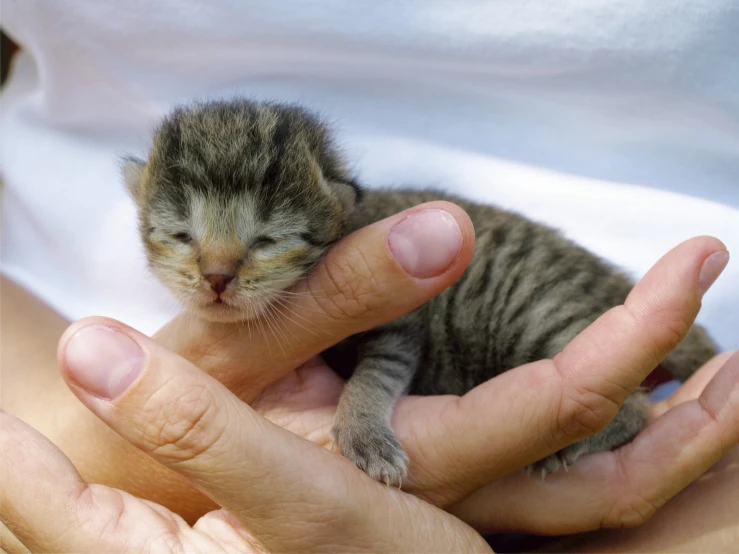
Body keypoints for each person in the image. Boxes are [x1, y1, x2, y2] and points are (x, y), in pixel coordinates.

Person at [2, 1, 738, 551]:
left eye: (265, 242)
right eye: (178, 237)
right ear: (141, 199)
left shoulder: (358, 243)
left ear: (332, 215)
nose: (216, 274)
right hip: (64, 432)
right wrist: (69, 454)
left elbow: (393, 341)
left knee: (540, 324)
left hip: (681, 485)